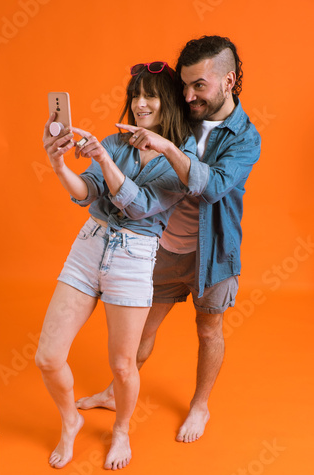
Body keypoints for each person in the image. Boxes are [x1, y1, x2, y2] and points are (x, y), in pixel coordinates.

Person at [76, 36, 262, 443]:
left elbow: (211, 187)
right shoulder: (181, 114)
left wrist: (165, 146)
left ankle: (200, 406)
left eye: (200, 85)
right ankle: (115, 391)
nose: (189, 94)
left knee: (209, 330)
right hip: (160, 246)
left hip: (213, 254)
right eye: (185, 85)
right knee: (141, 330)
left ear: (228, 81)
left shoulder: (245, 138)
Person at [35, 61, 198, 470]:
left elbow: (143, 207)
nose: (139, 104)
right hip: (90, 245)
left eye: (150, 95)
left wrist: (106, 164)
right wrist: (59, 165)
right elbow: (87, 191)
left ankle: (122, 430)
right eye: (135, 95)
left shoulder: (181, 157)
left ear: (170, 102)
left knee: (124, 366)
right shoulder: (115, 142)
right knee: (47, 357)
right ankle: (70, 420)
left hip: (134, 255)